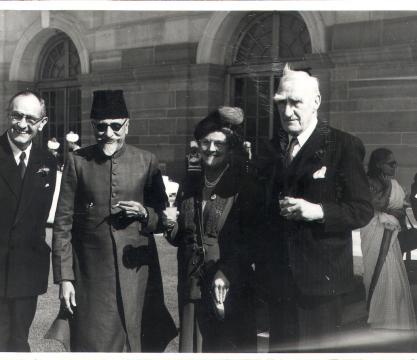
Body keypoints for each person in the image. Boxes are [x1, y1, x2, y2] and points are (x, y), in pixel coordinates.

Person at [51, 89, 176, 352]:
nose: (108, 133)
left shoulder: (146, 161)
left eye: (115, 126)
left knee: (137, 342)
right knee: (94, 342)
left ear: (127, 126)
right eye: (101, 127)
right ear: (92, 126)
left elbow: (163, 219)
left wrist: (144, 213)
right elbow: (63, 225)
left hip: (138, 273)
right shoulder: (77, 162)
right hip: (92, 275)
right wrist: (65, 279)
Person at [264, 64, 373, 351]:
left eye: (295, 103)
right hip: (280, 281)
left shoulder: (342, 145)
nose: (287, 112)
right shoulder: (272, 148)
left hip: (322, 286)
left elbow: (362, 209)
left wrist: (318, 211)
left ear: (316, 102)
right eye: (281, 103)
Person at [166, 106, 260, 352]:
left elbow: (252, 240)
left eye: (219, 143)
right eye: (206, 142)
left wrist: (227, 272)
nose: (211, 149)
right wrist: (168, 222)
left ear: (230, 147)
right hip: (192, 286)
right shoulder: (191, 182)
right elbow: (181, 235)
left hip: (229, 285)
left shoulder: (242, 185)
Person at [0, 90, 57, 351]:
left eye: (30, 119)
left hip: (27, 272)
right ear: (8, 116)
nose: (22, 125)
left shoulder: (47, 161)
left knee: (19, 342)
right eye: (17, 116)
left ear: (42, 124)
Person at [360, 148, 416, 330]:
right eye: (390, 163)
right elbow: (373, 204)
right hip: (374, 231)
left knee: (394, 275)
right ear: (379, 164)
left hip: (391, 235)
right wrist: (387, 189)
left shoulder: (393, 182)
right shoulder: (370, 182)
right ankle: (377, 316)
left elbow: (400, 205)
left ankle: (392, 316)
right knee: (378, 271)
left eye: (395, 163)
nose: (395, 167)